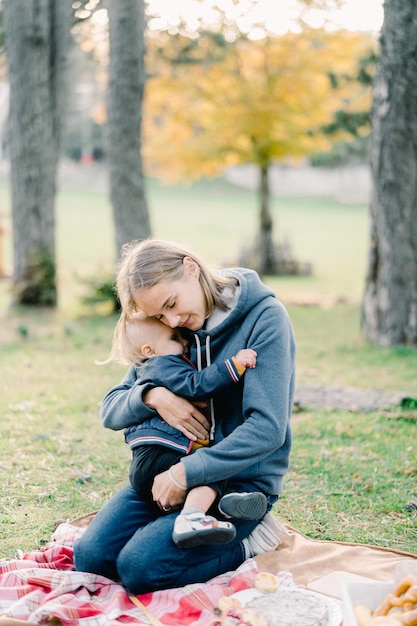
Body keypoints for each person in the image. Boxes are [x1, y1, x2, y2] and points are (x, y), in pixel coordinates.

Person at [74, 238, 296, 595]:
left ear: (191, 268)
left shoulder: (264, 319)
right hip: (166, 473)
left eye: (172, 304)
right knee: (92, 557)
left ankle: (252, 539)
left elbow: (267, 429)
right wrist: (153, 396)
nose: (174, 320)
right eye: (161, 316)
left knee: (140, 569)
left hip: (231, 484)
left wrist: (187, 472)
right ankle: (169, 523)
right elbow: (111, 407)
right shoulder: (171, 333)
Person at [103, 310, 267, 548]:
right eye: (174, 338)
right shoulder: (164, 364)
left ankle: (222, 505)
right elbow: (196, 385)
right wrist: (234, 365)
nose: (184, 341)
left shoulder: (149, 365)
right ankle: (191, 518)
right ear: (150, 350)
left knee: (203, 472)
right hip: (160, 456)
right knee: (207, 468)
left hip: (148, 462)